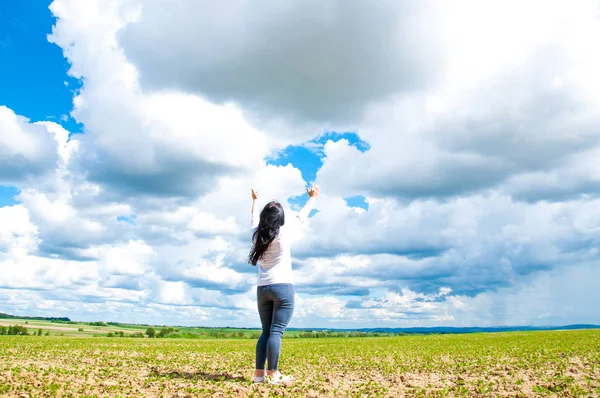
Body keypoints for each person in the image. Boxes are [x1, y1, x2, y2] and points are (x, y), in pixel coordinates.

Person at [249, 184, 320, 384]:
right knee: (276, 332)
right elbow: (302, 216)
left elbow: (253, 218)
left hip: (262, 289)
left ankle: (259, 376)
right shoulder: (284, 234)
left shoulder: (256, 236)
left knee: (265, 331)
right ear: (280, 220)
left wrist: (254, 201)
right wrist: (313, 198)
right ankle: (273, 374)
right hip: (282, 288)